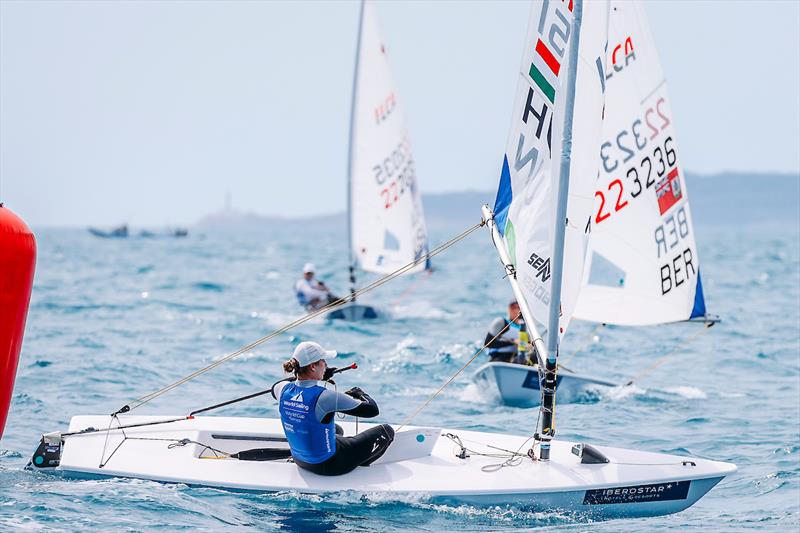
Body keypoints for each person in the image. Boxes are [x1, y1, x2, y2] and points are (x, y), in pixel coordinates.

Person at [273, 341, 395, 476]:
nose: (326, 364)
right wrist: (361, 394)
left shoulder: (282, 389)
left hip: (300, 460)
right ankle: (358, 470)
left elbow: (277, 385)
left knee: (337, 430)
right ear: (313, 366)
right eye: (323, 361)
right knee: (386, 431)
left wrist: (317, 375)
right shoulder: (325, 397)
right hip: (330, 464)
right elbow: (371, 410)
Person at [484, 300, 534, 364]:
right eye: (512, 307)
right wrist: (513, 341)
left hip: (517, 358)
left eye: (518, 307)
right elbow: (488, 343)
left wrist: (529, 346)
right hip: (499, 357)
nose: (514, 310)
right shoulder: (502, 322)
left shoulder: (526, 329)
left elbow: (530, 346)